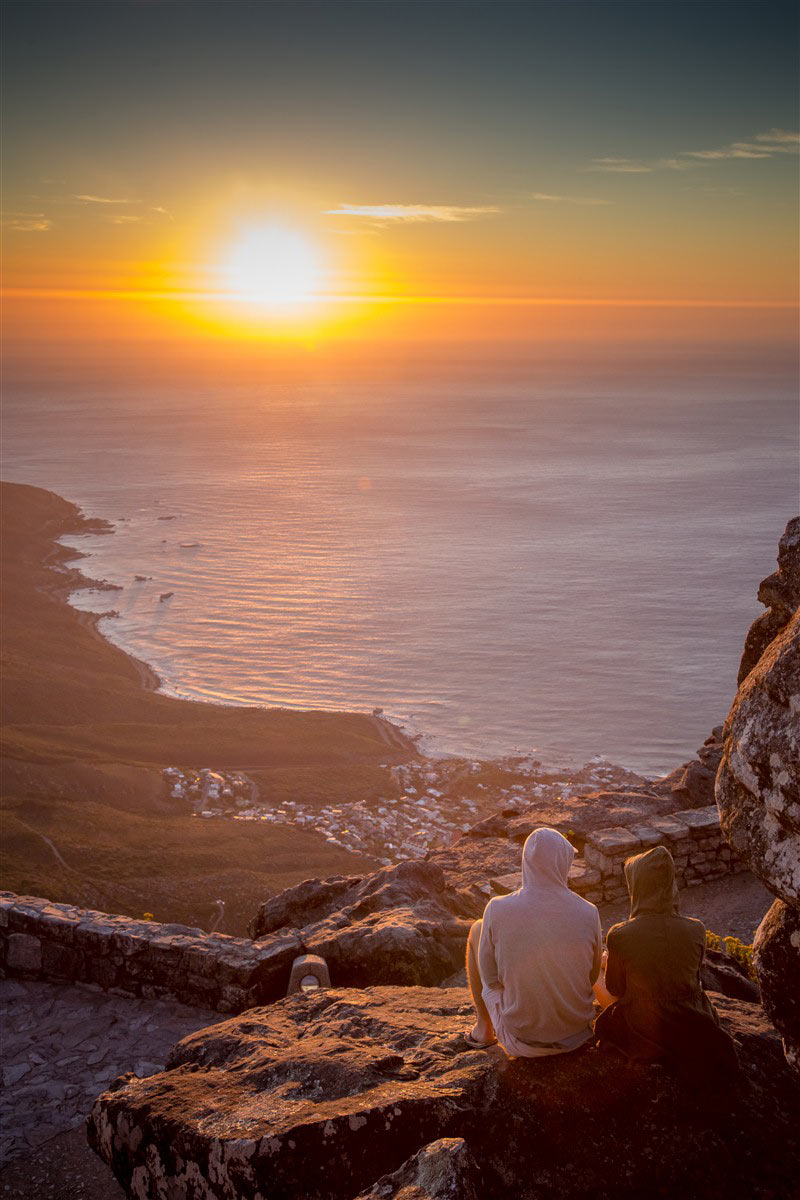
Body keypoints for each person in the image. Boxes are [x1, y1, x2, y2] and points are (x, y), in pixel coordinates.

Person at [593, 845, 739, 1082]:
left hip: (643, 1030)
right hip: (694, 1024)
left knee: (596, 968)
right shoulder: (696, 929)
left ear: (637, 886)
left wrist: (606, 964)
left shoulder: (619, 935)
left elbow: (617, 990)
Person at [465, 826, 602, 1055]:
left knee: (478, 929)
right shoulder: (589, 911)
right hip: (577, 1035)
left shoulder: (497, 909)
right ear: (564, 863)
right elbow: (591, 975)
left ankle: (483, 1030)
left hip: (522, 1041)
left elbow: (490, 980)